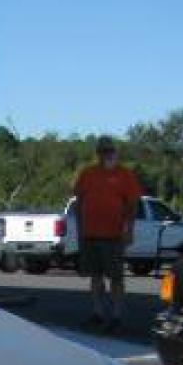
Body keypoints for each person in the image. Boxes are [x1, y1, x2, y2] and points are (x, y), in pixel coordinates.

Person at [72, 136, 142, 332]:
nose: (107, 154)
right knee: (95, 275)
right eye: (103, 151)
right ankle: (97, 312)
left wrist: (129, 229)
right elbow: (79, 202)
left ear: (116, 152)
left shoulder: (125, 175)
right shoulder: (88, 173)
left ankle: (117, 314)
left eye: (110, 150)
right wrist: (79, 230)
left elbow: (132, 205)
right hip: (90, 233)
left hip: (114, 235)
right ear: (98, 153)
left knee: (116, 277)